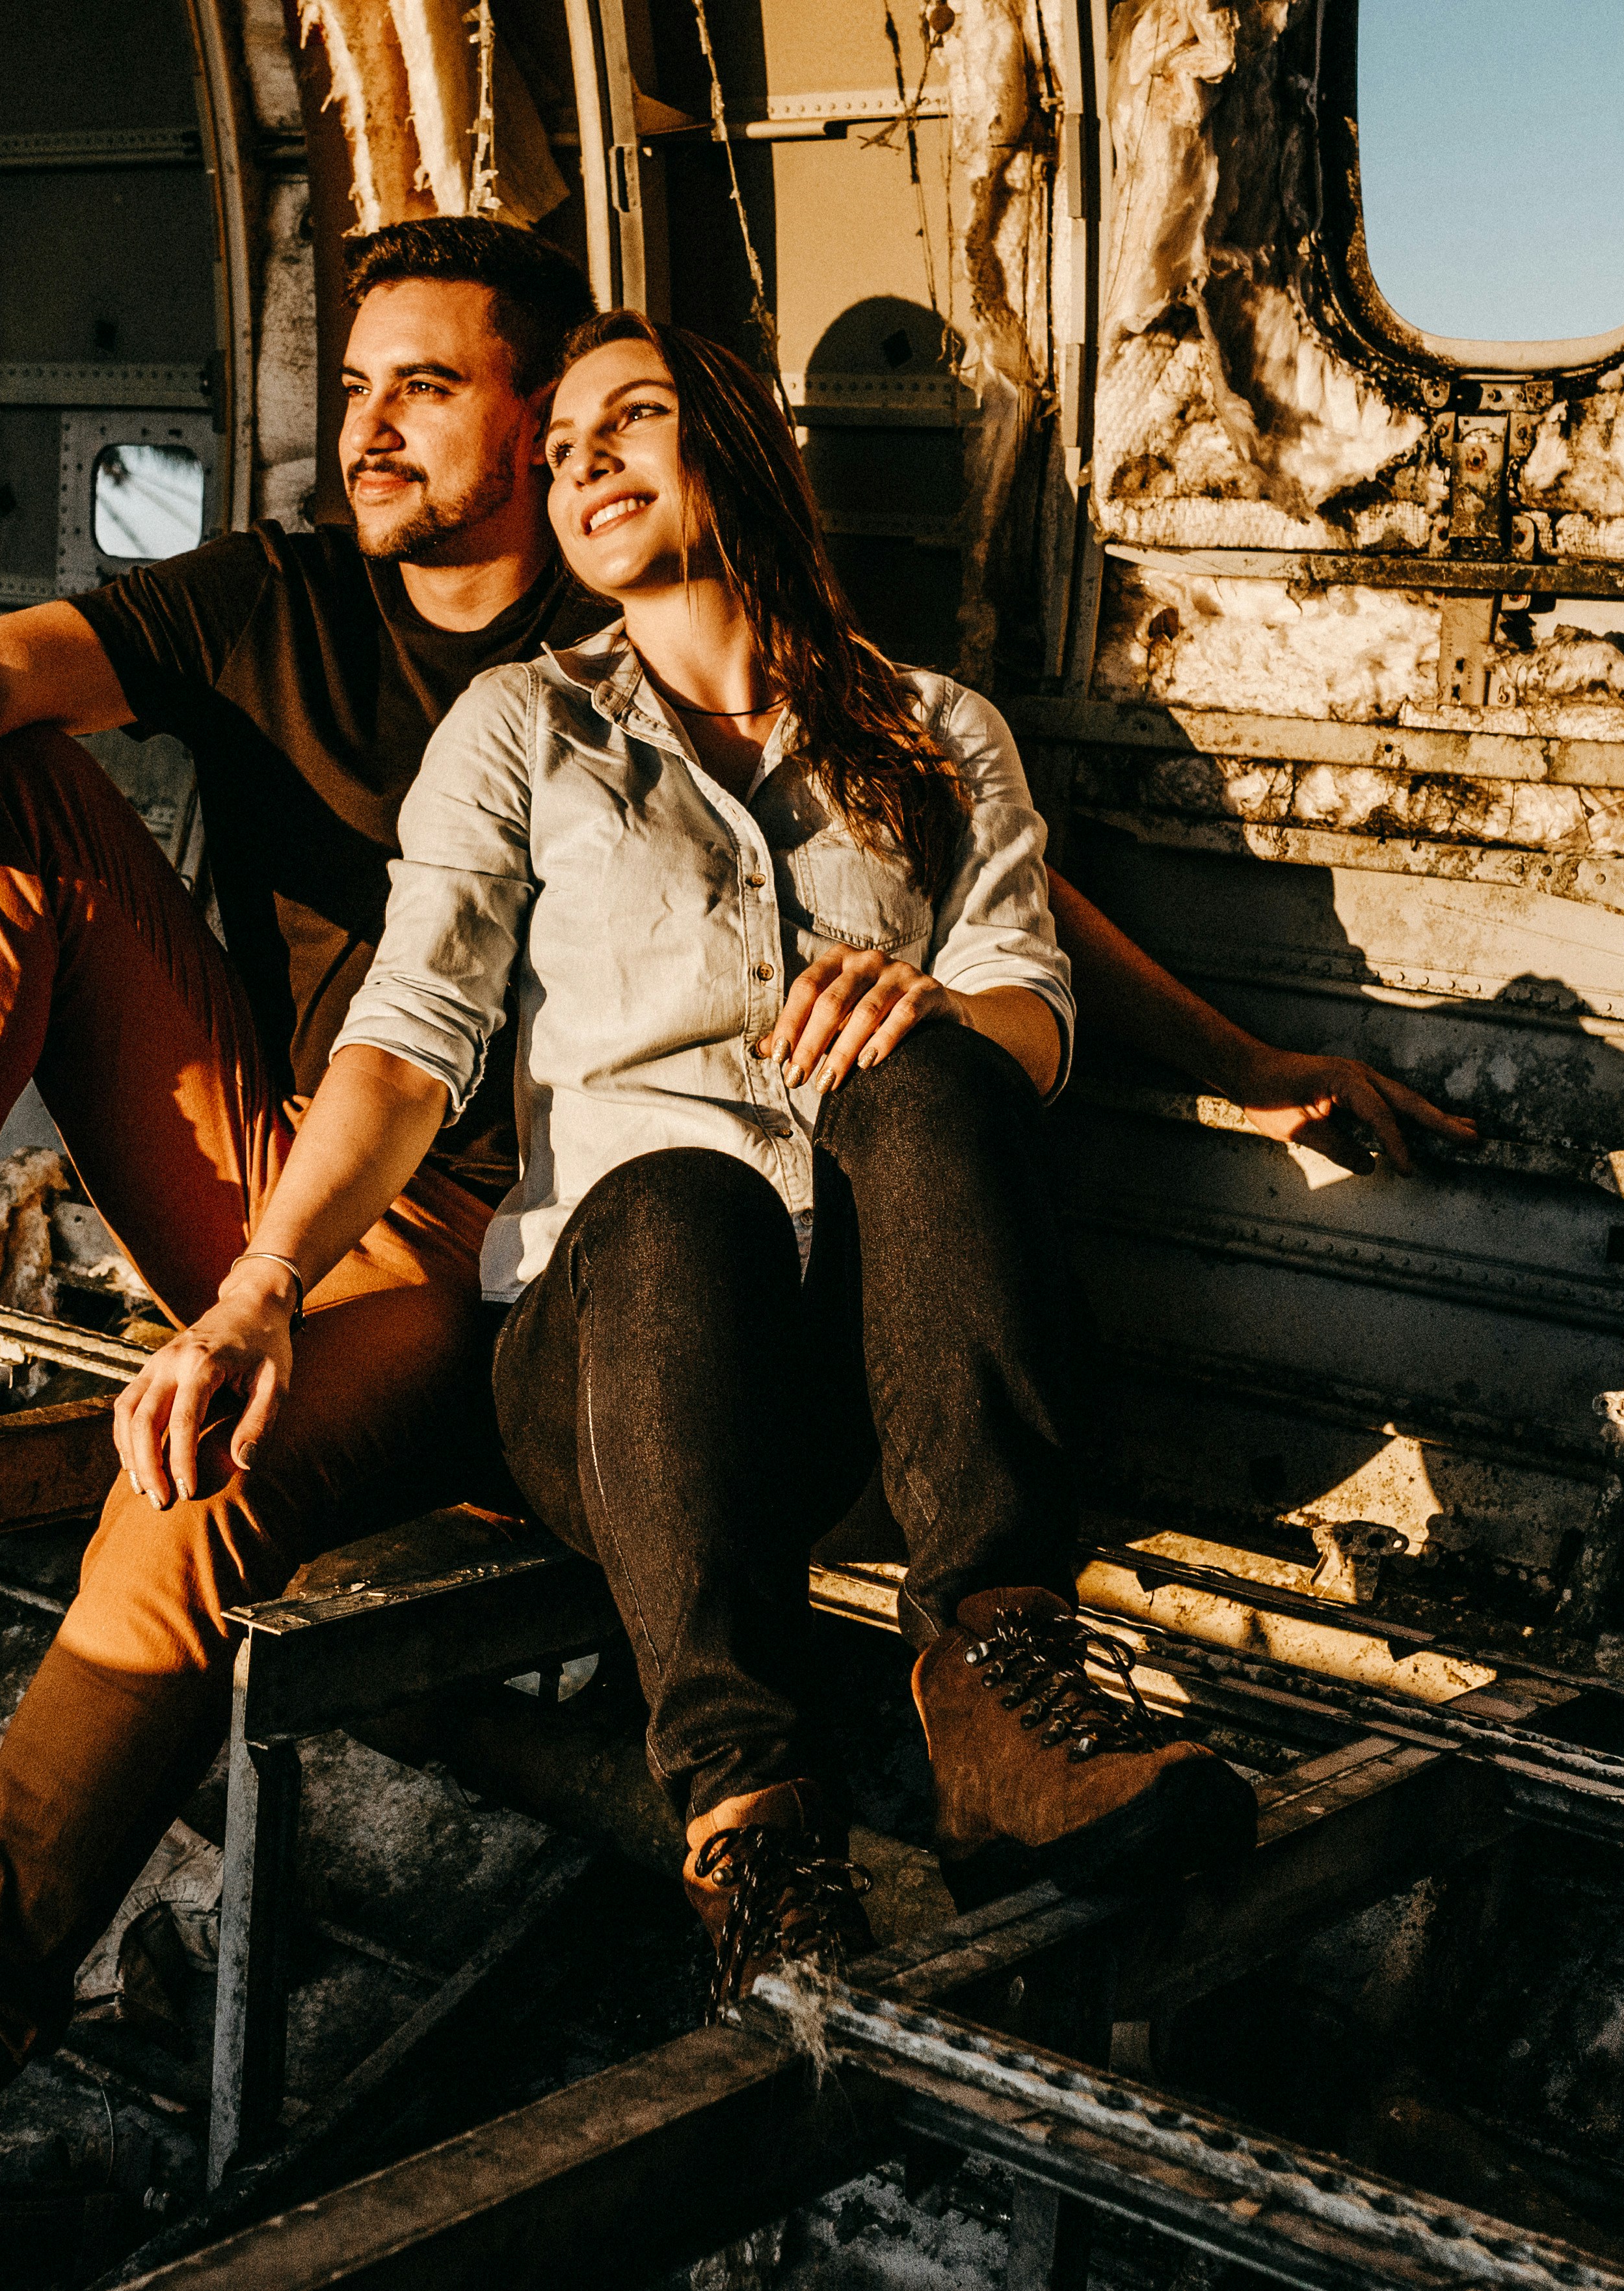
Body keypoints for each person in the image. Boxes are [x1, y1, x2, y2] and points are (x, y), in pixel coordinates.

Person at [0, 221, 1468, 2271]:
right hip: (329, 1179)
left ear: (598, 421)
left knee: (268, 1467)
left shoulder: (770, 662)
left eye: (437, 392)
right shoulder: (322, 614)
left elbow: (986, 901)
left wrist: (1240, 1056)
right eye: (363, 382)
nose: (367, 427)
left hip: (579, 1249)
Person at [114, 306, 1260, 2012]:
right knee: (674, 1194)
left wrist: (935, 1004)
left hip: (870, 1393)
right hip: (611, 1373)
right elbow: (409, 1039)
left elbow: (1033, 1008)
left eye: (627, 422)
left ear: (740, 443)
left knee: (934, 1059)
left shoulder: (938, 728)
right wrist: (256, 1291)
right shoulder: (524, 728)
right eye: (558, 448)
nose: (583, 466)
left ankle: (997, 1681)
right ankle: (750, 1819)